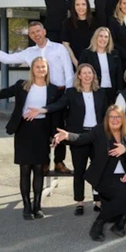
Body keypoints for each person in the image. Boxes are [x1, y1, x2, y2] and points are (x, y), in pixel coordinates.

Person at [0, 59, 61, 220]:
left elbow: (56, 112)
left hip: (42, 131)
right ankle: (26, 206)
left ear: (47, 69)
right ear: (32, 69)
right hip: (24, 130)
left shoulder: (53, 89)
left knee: (39, 170)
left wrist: (54, 134)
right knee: (25, 170)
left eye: (43, 67)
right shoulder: (22, 85)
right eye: (37, 67)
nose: (40, 69)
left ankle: (37, 206)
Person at [0, 21, 74, 173]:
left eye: (38, 31)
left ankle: (59, 162)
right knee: (43, 131)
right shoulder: (29, 52)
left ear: (44, 31)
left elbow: (69, 72)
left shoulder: (59, 48)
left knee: (58, 128)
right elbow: (6, 58)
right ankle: (44, 161)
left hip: (58, 94)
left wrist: (69, 94)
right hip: (39, 93)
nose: (36, 34)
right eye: (32, 32)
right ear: (30, 36)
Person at [53, 105, 126, 241]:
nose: (115, 120)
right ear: (107, 118)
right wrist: (67, 135)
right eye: (112, 117)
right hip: (104, 176)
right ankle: (98, 224)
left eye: (118, 117)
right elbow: (82, 138)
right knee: (125, 195)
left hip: (124, 174)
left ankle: (119, 225)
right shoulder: (99, 131)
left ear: (123, 118)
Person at [27, 63, 107, 216]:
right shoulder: (72, 93)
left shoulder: (101, 93)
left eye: (90, 73)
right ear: (79, 76)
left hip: (97, 136)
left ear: (93, 75)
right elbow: (59, 105)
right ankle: (79, 202)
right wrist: (42, 110)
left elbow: (106, 113)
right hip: (78, 136)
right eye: (84, 73)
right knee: (79, 170)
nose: (87, 76)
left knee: (97, 169)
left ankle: (98, 200)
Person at [79, 27, 124, 105]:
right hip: (94, 90)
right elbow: (80, 72)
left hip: (111, 92)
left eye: (106, 37)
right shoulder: (86, 54)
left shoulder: (114, 54)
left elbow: (119, 74)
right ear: (95, 37)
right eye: (100, 36)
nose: (103, 39)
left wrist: (119, 91)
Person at [61, 0, 99, 68]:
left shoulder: (95, 22)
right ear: (74, 7)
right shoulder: (67, 23)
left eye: (83, 4)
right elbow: (65, 44)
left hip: (93, 62)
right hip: (73, 62)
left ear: (87, 6)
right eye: (77, 5)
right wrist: (75, 62)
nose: (80, 7)